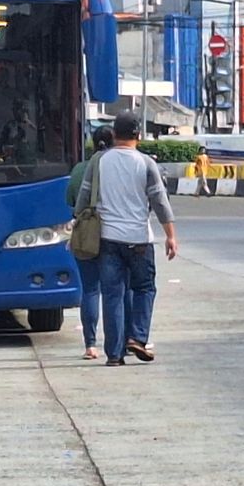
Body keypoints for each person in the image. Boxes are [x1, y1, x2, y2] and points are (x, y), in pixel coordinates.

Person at [73, 112, 178, 366]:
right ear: (138, 136)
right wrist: (170, 236)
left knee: (112, 294)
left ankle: (114, 354)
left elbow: (82, 201)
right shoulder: (146, 163)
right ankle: (138, 338)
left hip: (107, 239)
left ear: (114, 135)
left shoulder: (98, 162)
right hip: (139, 239)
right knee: (143, 288)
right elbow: (160, 202)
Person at [67, 126, 114, 360]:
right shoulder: (118, 167)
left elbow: (70, 199)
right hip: (114, 234)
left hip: (86, 233)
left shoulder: (79, 169)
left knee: (90, 290)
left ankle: (90, 345)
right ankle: (119, 343)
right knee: (116, 291)